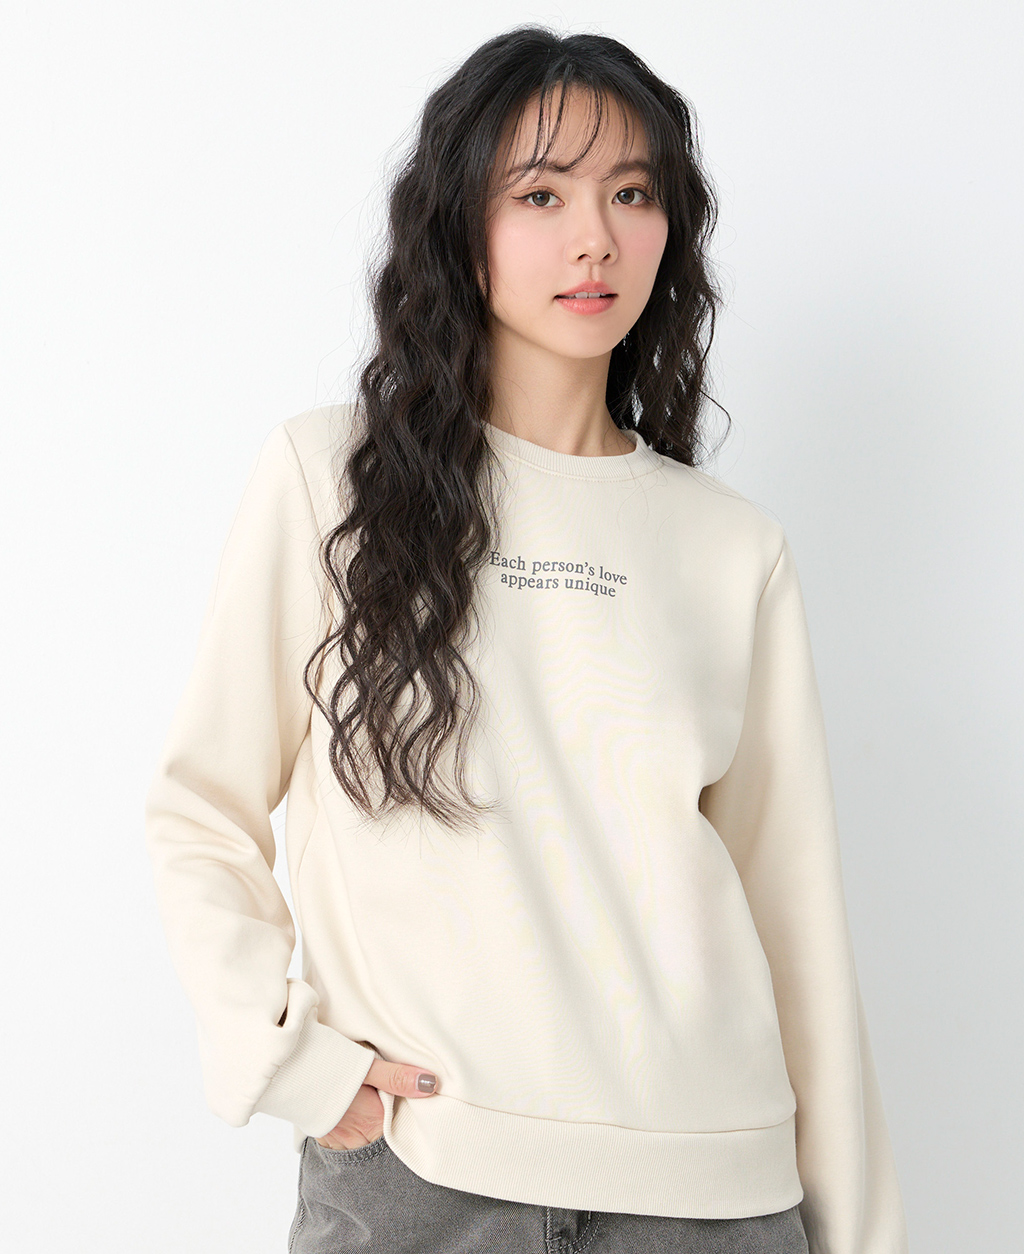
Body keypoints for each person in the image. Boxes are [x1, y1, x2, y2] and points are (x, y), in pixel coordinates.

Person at [144, 25, 909, 1254]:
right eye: (541, 194)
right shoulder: (328, 480)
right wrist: (287, 1061)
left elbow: (798, 928)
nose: (593, 236)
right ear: (460, 224)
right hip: (422, 1171)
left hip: (710, 1197)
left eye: (632, 193)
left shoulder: (731, 547)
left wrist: (863, 1232)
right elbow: (202, 809)